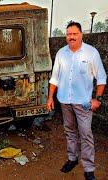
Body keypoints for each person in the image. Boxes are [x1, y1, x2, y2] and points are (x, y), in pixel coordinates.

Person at [47, 21, 106, 180]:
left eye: (74, 34)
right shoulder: (61, 53)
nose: (71, 37)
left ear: (81, 35)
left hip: (83, 103)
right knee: (70, 131)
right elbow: (54, 78)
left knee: (86, 134)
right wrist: (50, 97)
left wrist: (98, 99)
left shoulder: (91, 53)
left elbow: (101, 78)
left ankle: (88, 169)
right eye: (69, 34)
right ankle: (72, 159)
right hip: (65, 101)